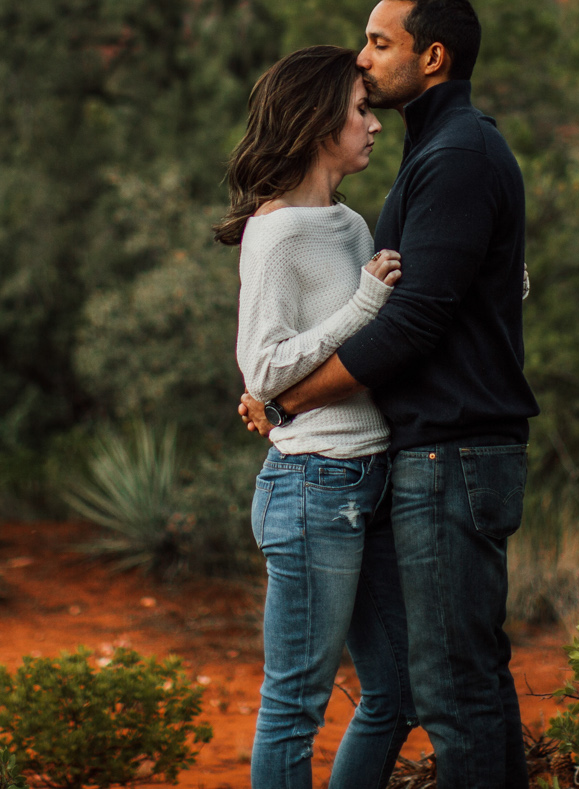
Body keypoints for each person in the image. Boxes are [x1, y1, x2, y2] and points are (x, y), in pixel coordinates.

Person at [241, 0, 538, 789]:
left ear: (431, 56)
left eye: (379, 42)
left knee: (445, 687)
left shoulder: (455, 154)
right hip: (395, 461)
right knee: (456, 677)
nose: (365, 62)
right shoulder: (440, 151)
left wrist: (288, 397)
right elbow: (425, 299)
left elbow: (409, 323)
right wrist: (277, 385)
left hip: (447, 452)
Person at [217, 44, 418, 789]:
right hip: (313, 487)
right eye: (360, 111)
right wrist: (363, 304)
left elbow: (392, 324)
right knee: (295, 705)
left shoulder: (346, 221)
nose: (373, 125)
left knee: (396, 692)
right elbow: (263, 369)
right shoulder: (276, 233)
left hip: (372, 481)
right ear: (316, 121)